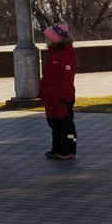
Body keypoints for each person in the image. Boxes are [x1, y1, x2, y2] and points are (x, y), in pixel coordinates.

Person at [40, 23, 77, 160]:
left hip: (61, 95)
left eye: (47, 37)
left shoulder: (66, 54)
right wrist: (42, 91)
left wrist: (66, 96)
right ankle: (57, 148)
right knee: (54, 123)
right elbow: (46, 75)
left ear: (54, 39)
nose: (45, 40)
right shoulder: (52, 53)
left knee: (65, 124)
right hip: (51, 95)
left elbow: (67, 78)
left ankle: (69, 150)